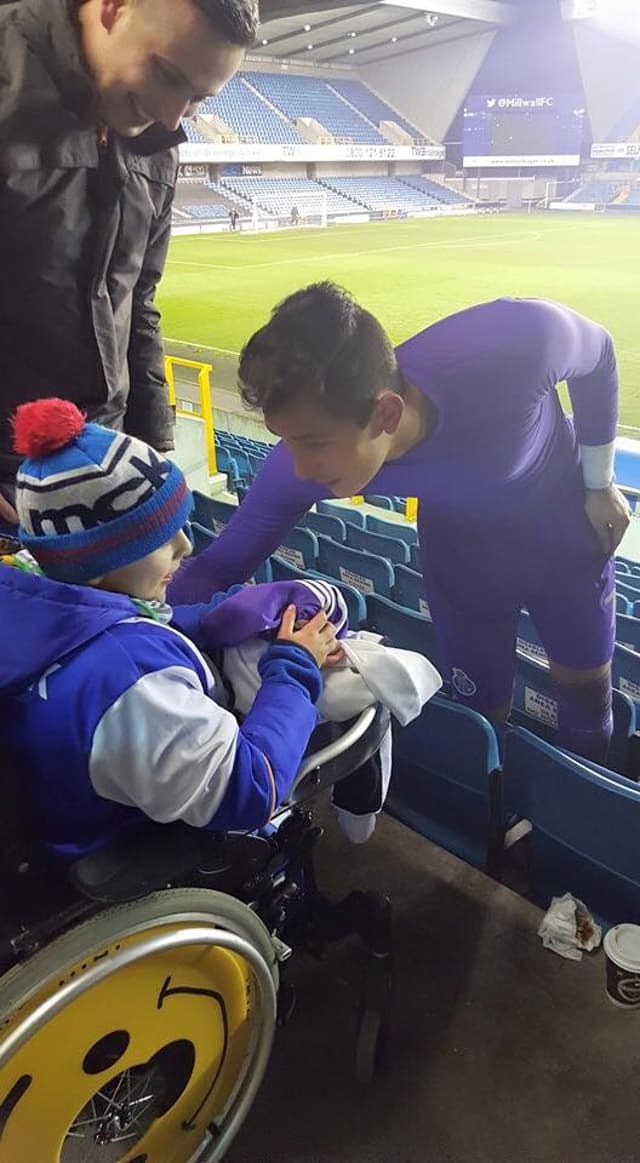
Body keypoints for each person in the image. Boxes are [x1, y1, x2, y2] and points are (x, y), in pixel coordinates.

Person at [169, 282, 632, 763]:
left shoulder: (510, 342)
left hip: (564, 532)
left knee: (586, 702)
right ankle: (499, 807)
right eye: (286, 441)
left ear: (386, 413)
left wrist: (599, 481)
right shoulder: (307, 461)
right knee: (482, 721)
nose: (300, 467)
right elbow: (217, 566)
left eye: (315, 443)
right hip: (464, 565)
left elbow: (598, 352)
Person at [0, 398, 342, 860]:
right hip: (131, 847)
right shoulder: (131, 688)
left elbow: (116, 621)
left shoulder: (31, 587)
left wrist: (213, 617)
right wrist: (295, 666)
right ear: (97, 563)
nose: (186, 545)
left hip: (64, 812)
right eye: (161, 539)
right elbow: (252, 789)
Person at [0, 0, 258, 529]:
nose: (170, 116)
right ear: (113, 8)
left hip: (103, 465)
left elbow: (137, 306)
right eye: (166, 74)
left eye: (195, 100)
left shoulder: (158, 140)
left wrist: (154, 454)